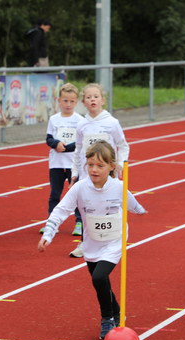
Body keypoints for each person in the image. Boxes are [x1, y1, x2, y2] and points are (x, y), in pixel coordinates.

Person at [38, 141, 147, 340]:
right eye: (90, 165)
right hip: (91, 242)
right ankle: (115, 311)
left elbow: (134, 206)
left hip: (114, 241)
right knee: (100, 281)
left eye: (100, 165)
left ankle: (107, 319)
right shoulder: (80, 188)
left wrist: (140, 211)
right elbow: (61, 210)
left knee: (99, 277)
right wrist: (48, 234)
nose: (94, 169)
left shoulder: (119, 188)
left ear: (111, 167)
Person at [69, 83, 129, 258]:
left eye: (96, 96)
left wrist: (120, 164)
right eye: (88, 97)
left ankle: (111, 242)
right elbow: (78, 150)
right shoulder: (81, 124)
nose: (92, 99)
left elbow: (123, 146)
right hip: (86, 173)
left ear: (102, 100)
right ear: (83, 102)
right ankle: (85, 244)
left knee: (108, 206)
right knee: (87, 209)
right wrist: (75, 172)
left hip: (107, 174)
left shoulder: (112, 122)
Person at [42, 83, 85, 239]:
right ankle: (52, 222)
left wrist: (65, 148)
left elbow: (81, 142)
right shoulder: (54, 119)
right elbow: (48, 138)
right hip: (56, 164)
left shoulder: (80, 120)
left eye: (72, 101)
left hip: (74, 164)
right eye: (65, 101)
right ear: (59, 101)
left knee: (77, 194)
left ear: (76, 102)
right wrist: (56, 144)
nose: (68, 104)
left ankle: (80, 221)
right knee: (55, 193)